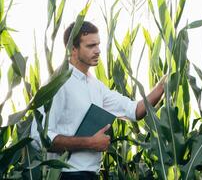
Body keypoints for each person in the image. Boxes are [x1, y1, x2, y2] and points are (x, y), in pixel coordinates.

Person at [30, 21, 165, 180]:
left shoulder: (96, 86)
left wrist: (162, 86)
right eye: (91, 46)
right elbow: (39, 138)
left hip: (92, 175)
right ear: (73, 49)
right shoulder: (57, 85)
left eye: (98, 45)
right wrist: (89, 143)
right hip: (66, 175)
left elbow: (135, 111)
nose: (98, 51)